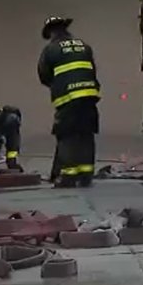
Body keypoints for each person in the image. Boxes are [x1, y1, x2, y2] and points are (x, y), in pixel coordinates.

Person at [37, 16, 101, 188]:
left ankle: (68, 176)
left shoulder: (50, 49)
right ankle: (86, 174)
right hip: (89, 96)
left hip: (68, 99)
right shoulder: (84, 46)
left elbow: (44, 76)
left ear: (51, 33)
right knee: (85, 134)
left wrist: (59, 85)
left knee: (67, 135)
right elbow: (92, 70)